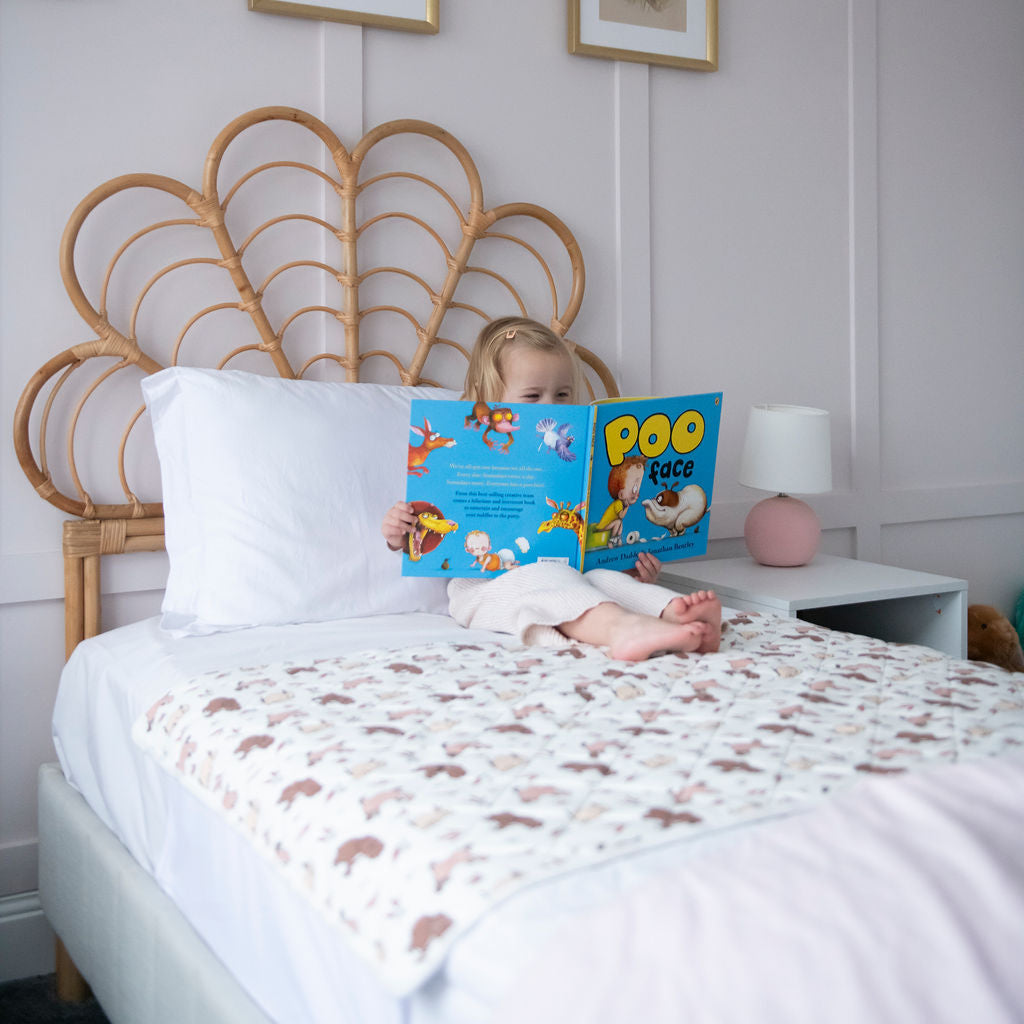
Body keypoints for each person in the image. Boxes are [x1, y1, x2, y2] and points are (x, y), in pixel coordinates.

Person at [381, 316, 721, 661]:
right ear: (489, 401)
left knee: (602, 578)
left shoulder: (570, 454)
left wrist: (629, 566)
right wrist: (398, 531)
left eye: (562, 395)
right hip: (484, 586)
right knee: (551, 579)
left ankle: (672, 614)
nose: (551, 409)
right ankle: (623, 629)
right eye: (532, 396)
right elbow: (425, 526)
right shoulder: (461, 450)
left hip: (572, 571)